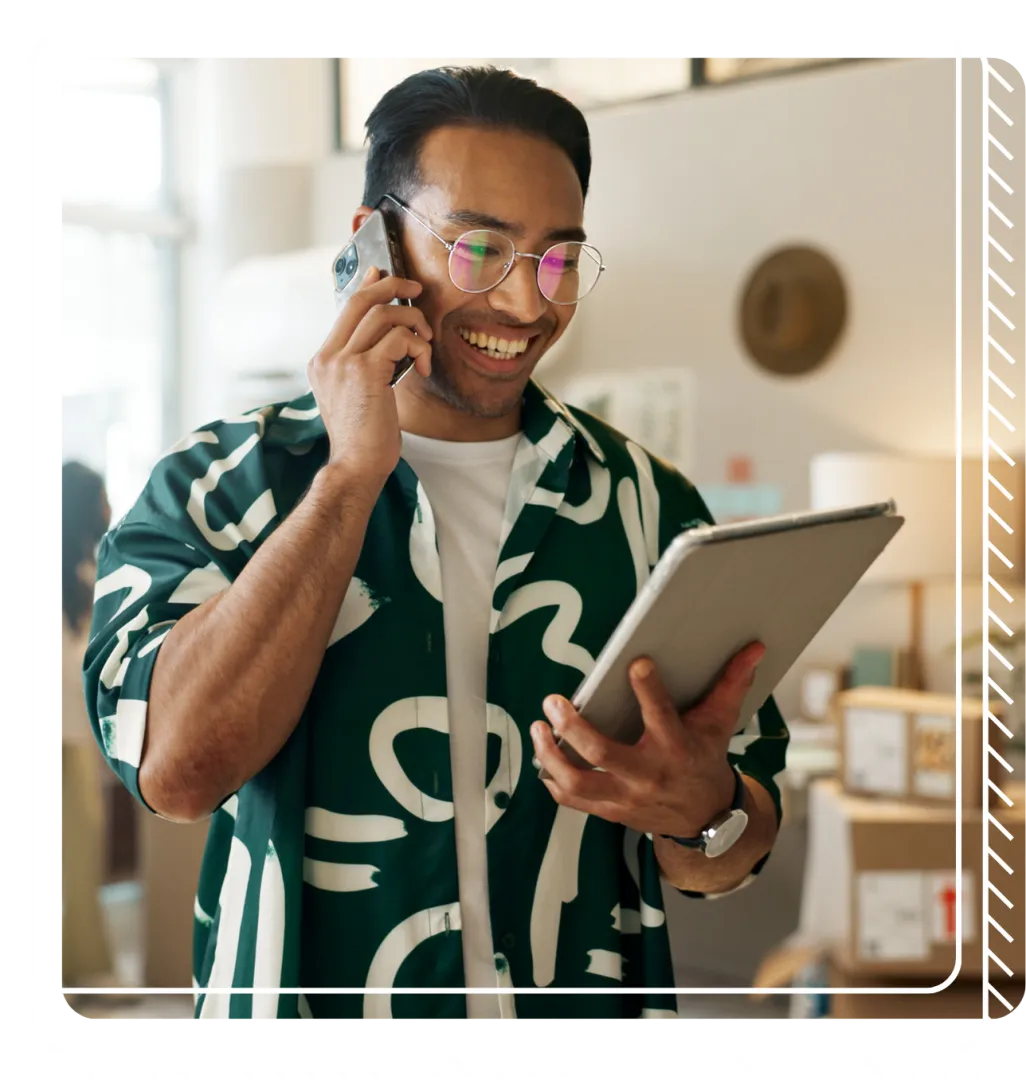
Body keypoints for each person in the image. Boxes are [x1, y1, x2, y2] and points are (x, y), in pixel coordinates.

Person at [84, 66, 789, 1025]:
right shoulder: (214, 489)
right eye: (480, 248)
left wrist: (705, 811)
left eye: (557, 259)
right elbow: (173, 774)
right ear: (374, 241)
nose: (527, 306)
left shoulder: (651, 507)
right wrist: (345, 481)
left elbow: (734, 847)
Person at [58, 461, 116, 988]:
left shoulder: (81, 573)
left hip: (67, 732)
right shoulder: (87, 576)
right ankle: (82, 969)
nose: (110, 508)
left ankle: (79, 967)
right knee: (79, 854)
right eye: (102, 497)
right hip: (70, 734)